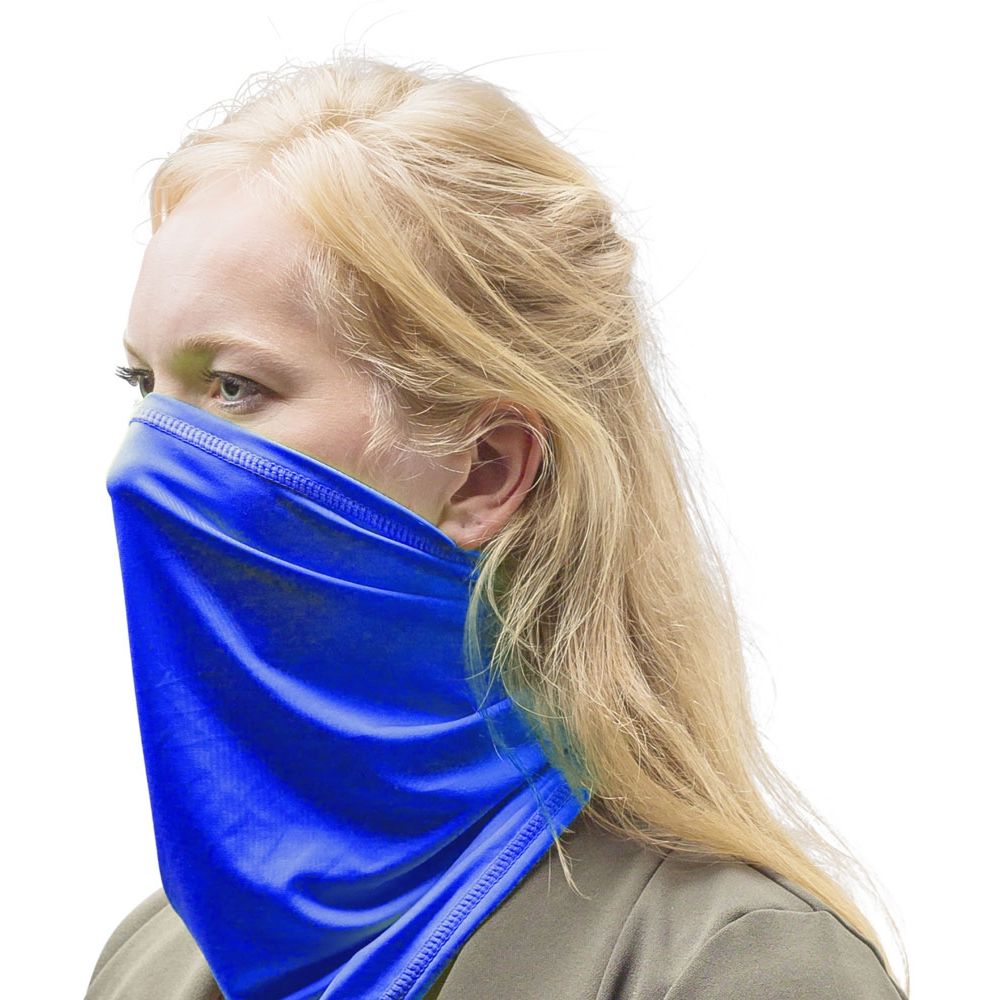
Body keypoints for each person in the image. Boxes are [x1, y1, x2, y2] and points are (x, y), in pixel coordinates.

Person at [86, 52, 910, 1000]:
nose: (139, 465)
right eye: (145, 386)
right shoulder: (150, 959)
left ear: (485, 471)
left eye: (235, 387)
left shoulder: (729, 967)